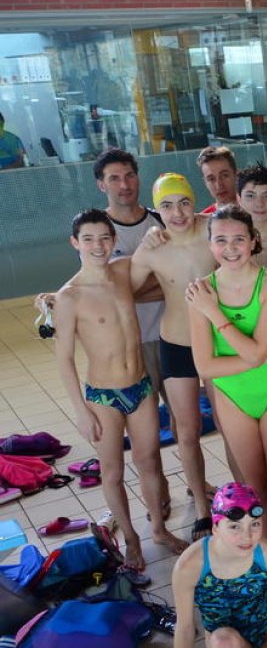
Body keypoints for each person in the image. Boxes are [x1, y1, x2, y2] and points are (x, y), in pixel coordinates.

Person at [53, 209, 186, 570]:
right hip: (103, 397)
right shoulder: (69, 297)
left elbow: (157, 251)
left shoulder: (124, 272)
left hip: (140, 387)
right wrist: (80, 411)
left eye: (104, 238)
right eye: (89, 239)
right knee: (112, 472)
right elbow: (63, 358)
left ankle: (158, 528)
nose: (98, 246)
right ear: (75, 243)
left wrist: (157, 237)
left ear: (113, 240)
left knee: (149, 462)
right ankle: (131, 539)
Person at [188, 205, 267, 531]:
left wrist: (214, 313)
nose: (230, 248)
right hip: (231, 394)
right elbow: (205, 367)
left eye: (239, 239)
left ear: (253, 241)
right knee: (254, 487)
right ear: (210, 245)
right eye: (221, 240)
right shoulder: (200, 292)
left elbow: (253, 353)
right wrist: (264, 356)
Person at [130, 173, 217, 540]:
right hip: (176, 343)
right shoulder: (152, 247)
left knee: (231, 427)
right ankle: (201, 507)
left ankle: (242, 495)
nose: (177, 212)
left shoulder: (214, 230)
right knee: (187, 432)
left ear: (194, 200)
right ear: (157, 209)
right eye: (166, 205)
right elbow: (125, 288)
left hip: (217, 342)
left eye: (183, 202)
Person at [172, 482, 267, 648]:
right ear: (215, 528)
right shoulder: (190, 566)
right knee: (223, 640)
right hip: (227, 642)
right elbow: (185, 629)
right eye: (235, 527)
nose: (247, 536)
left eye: (255, 524)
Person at [94, 149, 170, 418]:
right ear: (101, 185)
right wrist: (162, 283)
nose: (124, 185)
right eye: (114, 178)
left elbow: (180, 279)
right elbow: (107, 291)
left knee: (185, 423)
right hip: (129, 343)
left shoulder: (162, 220)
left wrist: (130, 289)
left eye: (129, 176)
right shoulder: (97, 232)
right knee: (145, 428)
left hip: (172, 336)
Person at [197, 146, 238, 214]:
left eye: (224, 175)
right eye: (211, 179)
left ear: (236, 175)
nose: (219, 185)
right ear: (205, 183)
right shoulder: (203, 220)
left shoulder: (256, 211)